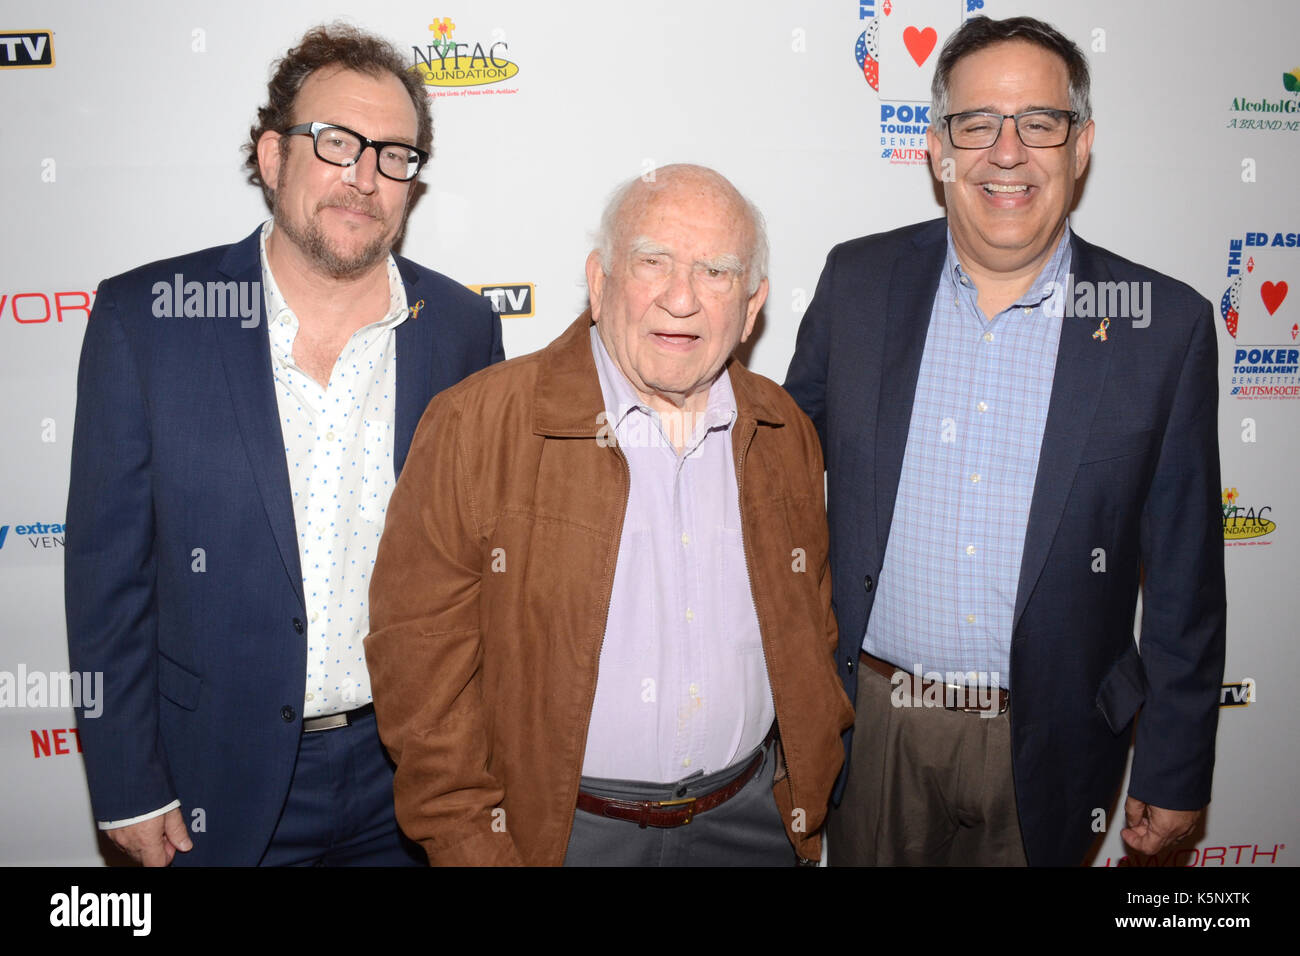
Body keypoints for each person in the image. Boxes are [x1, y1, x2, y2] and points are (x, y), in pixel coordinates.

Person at [785, 15, 1225, 866]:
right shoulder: (859, 284)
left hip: (1056, 738)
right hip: (875, 728)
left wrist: (1175, 765)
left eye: (1040, 122)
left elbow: (1185, 580)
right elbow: (775, 470)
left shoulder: (1160, 326)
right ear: (937, 146)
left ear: (1081, 143)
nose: (1007, 152)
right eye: (977, 122)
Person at [64, 23, 503, 866]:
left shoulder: (459, 328)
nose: (363, 178)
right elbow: (105, 573)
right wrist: (126, 778)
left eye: (393, 156)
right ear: (272, 158)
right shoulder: (147, 319)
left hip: (412, 771)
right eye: (336, 143)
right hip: (212, 776)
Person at [365, 164, 854, 866]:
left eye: (716, 271)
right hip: (557, 839)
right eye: (652, 262)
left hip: (752, 823)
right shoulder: (477, 424)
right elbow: (418, 668)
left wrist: (806, 783)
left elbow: (811, 624)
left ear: (752, 307)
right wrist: (473, 846)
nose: (681, 298)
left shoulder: (783, 430)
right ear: (599, 283)